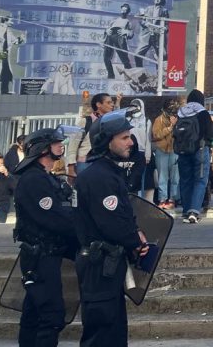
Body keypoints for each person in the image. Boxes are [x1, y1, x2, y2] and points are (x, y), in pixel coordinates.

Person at [73, 110, 149, 346]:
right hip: (99, 263)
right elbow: (112, 221)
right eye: (124, 137)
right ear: (107, 142)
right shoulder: (100, 177)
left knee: (114, 331)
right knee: (102, 332)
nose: (130, 142)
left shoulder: (105, 173)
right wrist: (135, 241)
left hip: (108, 262)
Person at [12, 126, 79, 347]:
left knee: (34, 313)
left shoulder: (43, 177)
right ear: (42, 149)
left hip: (48, 254)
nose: (61, 145)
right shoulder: (33, 179)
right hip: (40, 256)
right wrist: (84, 229)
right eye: (56, 142)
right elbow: (53, 218)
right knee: (51, 314)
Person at [175, 89, 213, 224]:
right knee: (200, 180)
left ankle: (186, 210)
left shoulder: (181, 112)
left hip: (183, 152)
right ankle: (194, 211)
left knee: (185, 180)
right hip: (200, 149)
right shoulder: (202, 112)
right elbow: (210, 132)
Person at [68, 94, 114, 177]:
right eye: (108, 102)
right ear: (98, 104)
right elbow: (73, 145)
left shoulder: (110, 123)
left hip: (104, 163)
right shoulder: (85, 121)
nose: (112, 105)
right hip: (85, 163)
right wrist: (71, 169)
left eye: (112, 102)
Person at [151, 98, 180, 210]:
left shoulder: (179, 119)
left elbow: (181, 134)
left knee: (175, 177)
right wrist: (170, 127)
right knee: (162, 177)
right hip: (161, 150)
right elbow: (156, 135)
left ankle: (172, 199)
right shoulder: (159, 120)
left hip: (174, 150)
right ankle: (162, 199)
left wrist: (176, 125)